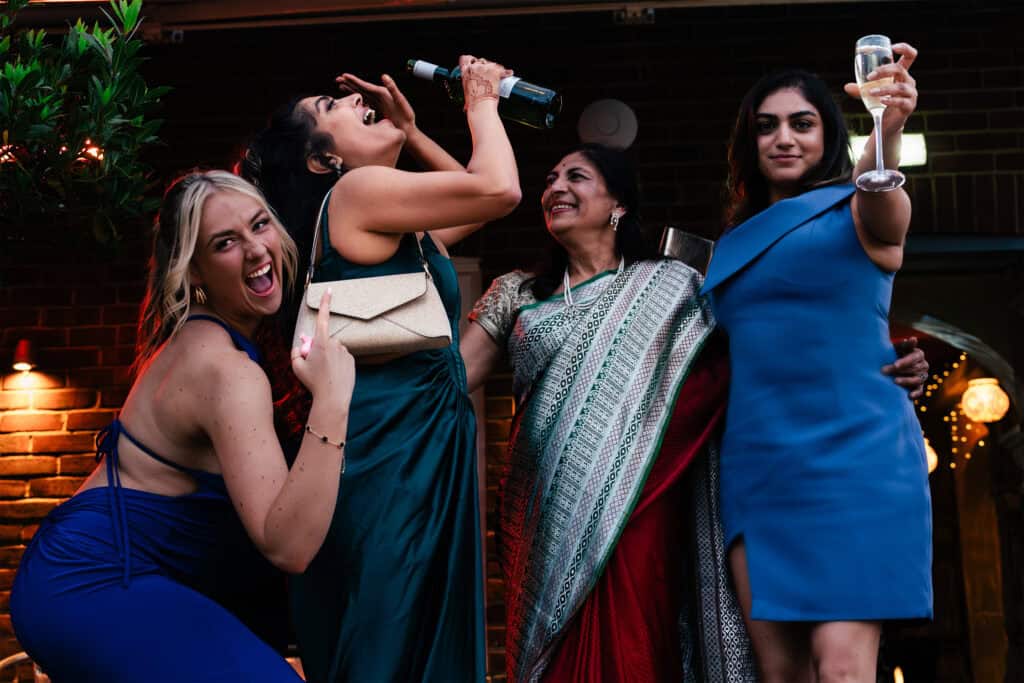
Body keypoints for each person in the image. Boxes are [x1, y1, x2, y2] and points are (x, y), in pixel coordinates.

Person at [461, 142, 930, 683]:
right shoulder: (515, 294)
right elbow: (445, 385)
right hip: (542, 514)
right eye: (550, 178)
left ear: (618, 203)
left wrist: (875, 365)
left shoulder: (675, 286)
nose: (556, 188)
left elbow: (772, 350)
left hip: (643, 514)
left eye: (577, 177)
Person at [10, 170, 356, 682]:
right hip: (90, 583)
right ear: (194, 273)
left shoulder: (200, 341)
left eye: (260, 225)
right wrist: (332, 398)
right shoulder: (226, 369)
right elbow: (288, 546)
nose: (257, 250)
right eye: (225, 243)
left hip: (73, 575)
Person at [240, 55, 520, 682]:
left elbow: (470, 202)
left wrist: (412, 131)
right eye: (331, 106)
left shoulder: (386, 217)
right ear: (323, 161)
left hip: (415, 452)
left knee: (408, 632)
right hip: (392, 458)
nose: (356, 101)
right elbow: (499, 189)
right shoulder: (356, 192)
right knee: (393, 636)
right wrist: (480, 100)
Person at [700, 44, 931, 683]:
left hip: (856, 460)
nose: (783, 137)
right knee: (780, 675)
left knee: (843, 673)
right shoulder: (730, 243)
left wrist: (887, 125)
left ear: (829, 134)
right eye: (767, 125)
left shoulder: (861, 209)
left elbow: (879, 189)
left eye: (802, 122)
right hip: (760, 464)